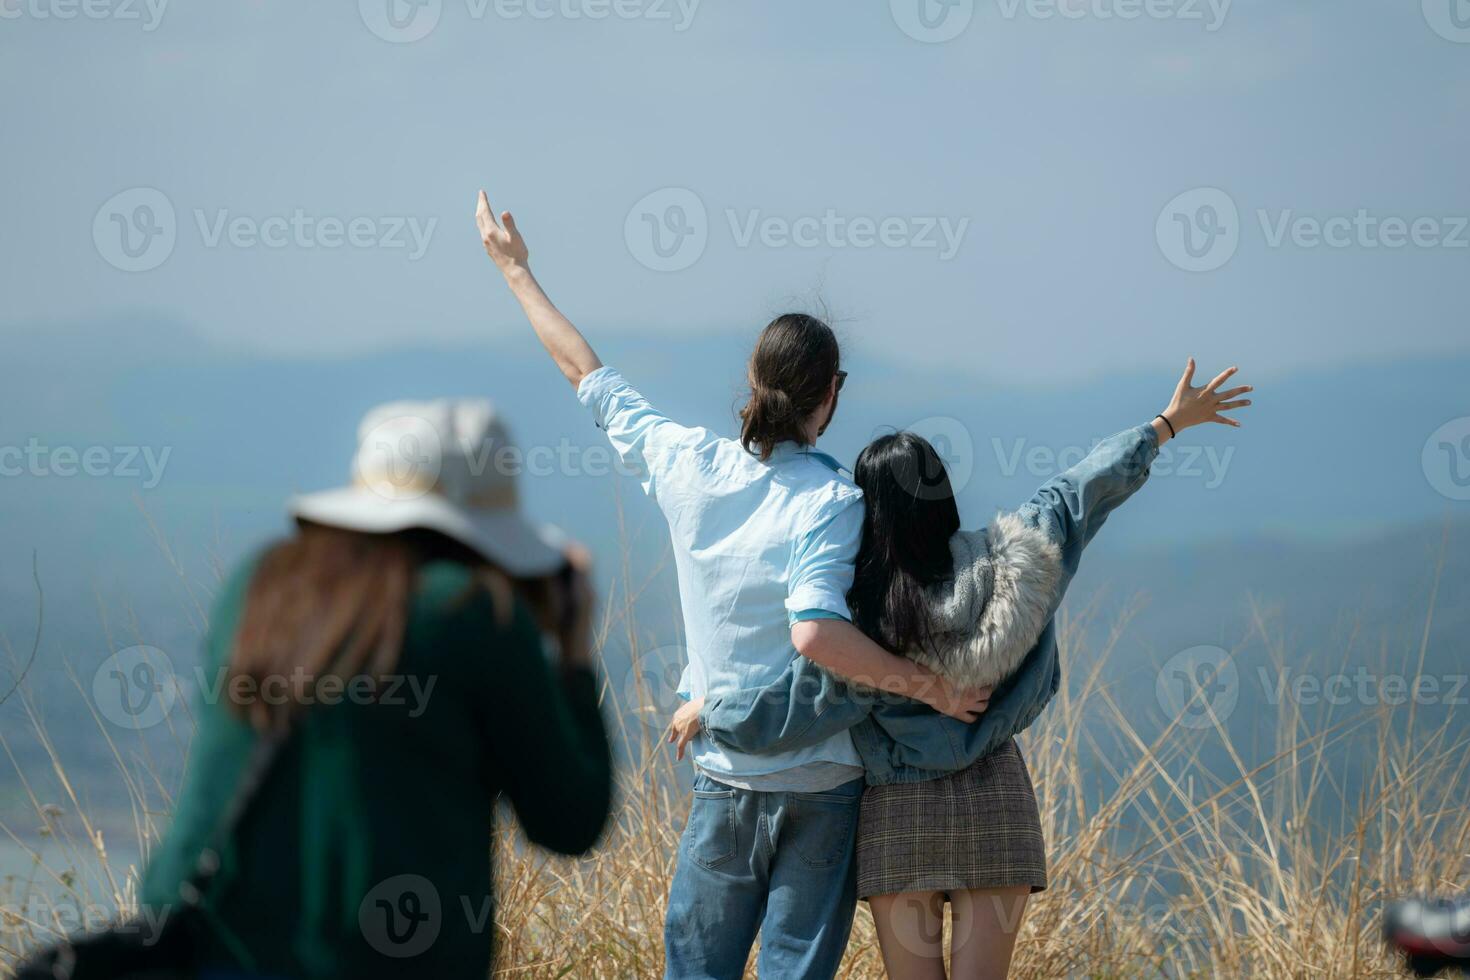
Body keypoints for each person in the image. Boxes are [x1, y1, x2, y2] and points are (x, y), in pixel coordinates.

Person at [472, 189, 990, 979]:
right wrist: (932, 689)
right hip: (822, 781)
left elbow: (582, 369)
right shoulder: (834, 501)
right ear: (831, 395)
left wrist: (516, 273)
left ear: (752, 382)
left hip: (724, 770)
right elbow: (815, 631)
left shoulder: (687, 465)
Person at [676, 360, 1253, 979]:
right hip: (994, 803)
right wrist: (1166, 424)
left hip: (899, 818)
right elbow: (1077, 491)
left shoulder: (865, 614)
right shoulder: (1013, 562)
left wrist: (712, 712)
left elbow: (798, 703)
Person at [140, 398, 612, 979]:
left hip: (209, 946)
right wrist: (572, 655)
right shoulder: (472, 612)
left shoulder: (261, 582)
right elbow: (570, 821)